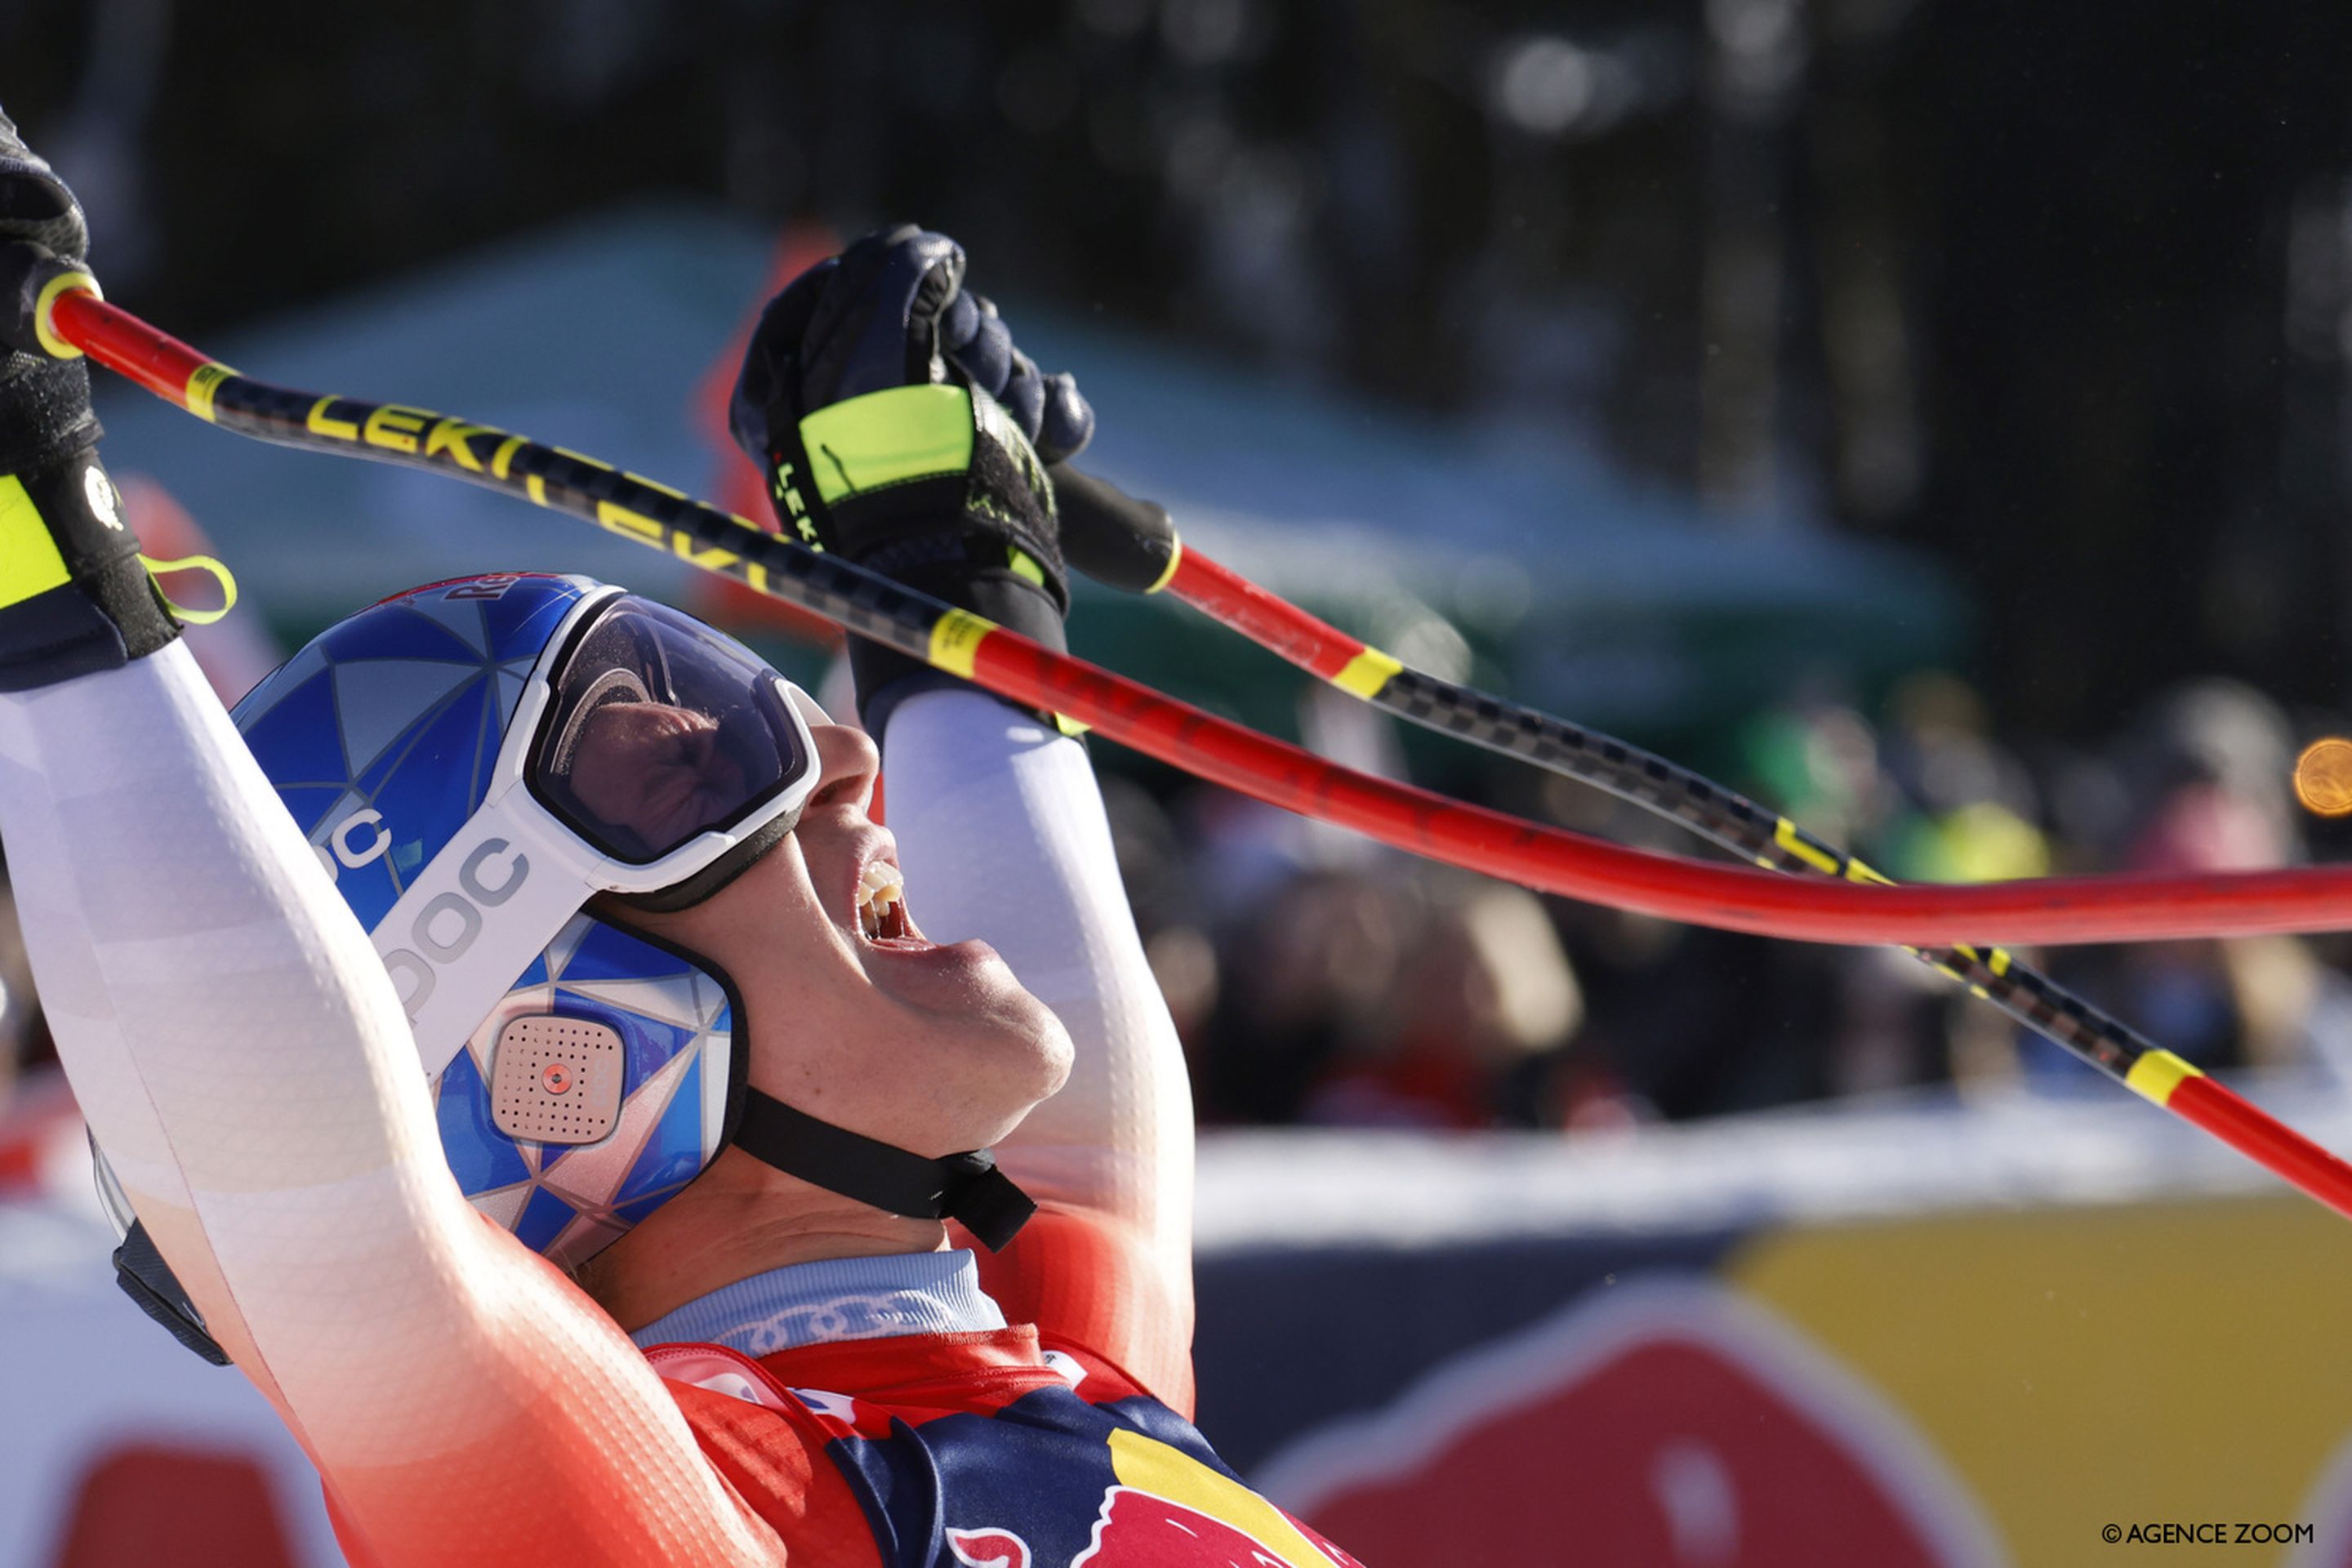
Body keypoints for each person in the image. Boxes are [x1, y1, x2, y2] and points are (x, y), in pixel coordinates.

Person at [0, 112, 1363, 1566]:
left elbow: (1088, 1071)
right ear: (565, 1048)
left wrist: (939, 562)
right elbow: (307, 1209)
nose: (846, 758)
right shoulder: (709, 1516)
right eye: (693, 761)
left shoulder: (1069, 1377)